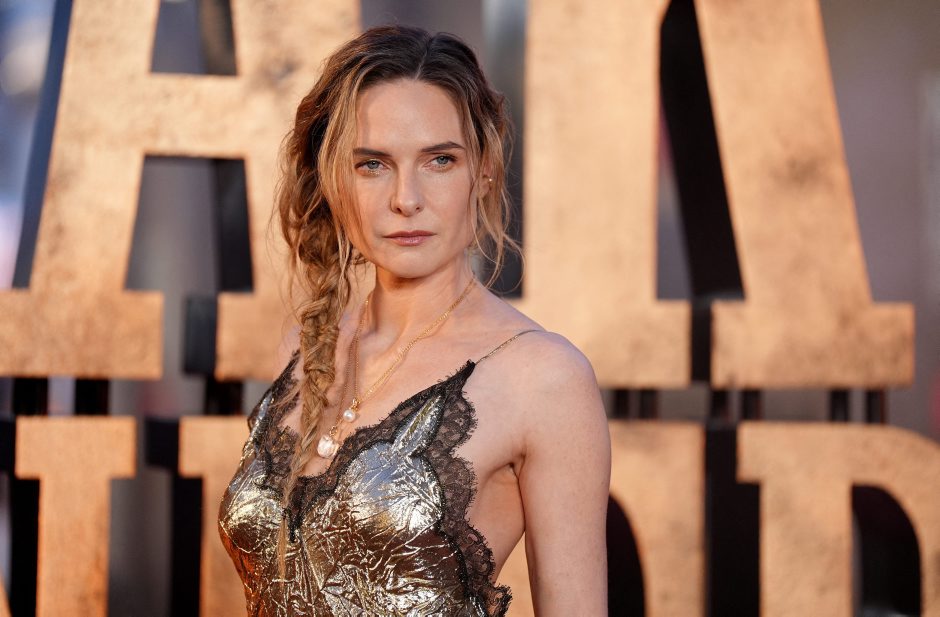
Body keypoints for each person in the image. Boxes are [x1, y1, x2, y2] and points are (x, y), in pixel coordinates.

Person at [218, 24, 610, 616]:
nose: (406, 198)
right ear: (333, 178)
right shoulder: (305, 347)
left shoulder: (543, 378)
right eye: (373, 164)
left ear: (483, 171)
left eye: (440, 160)